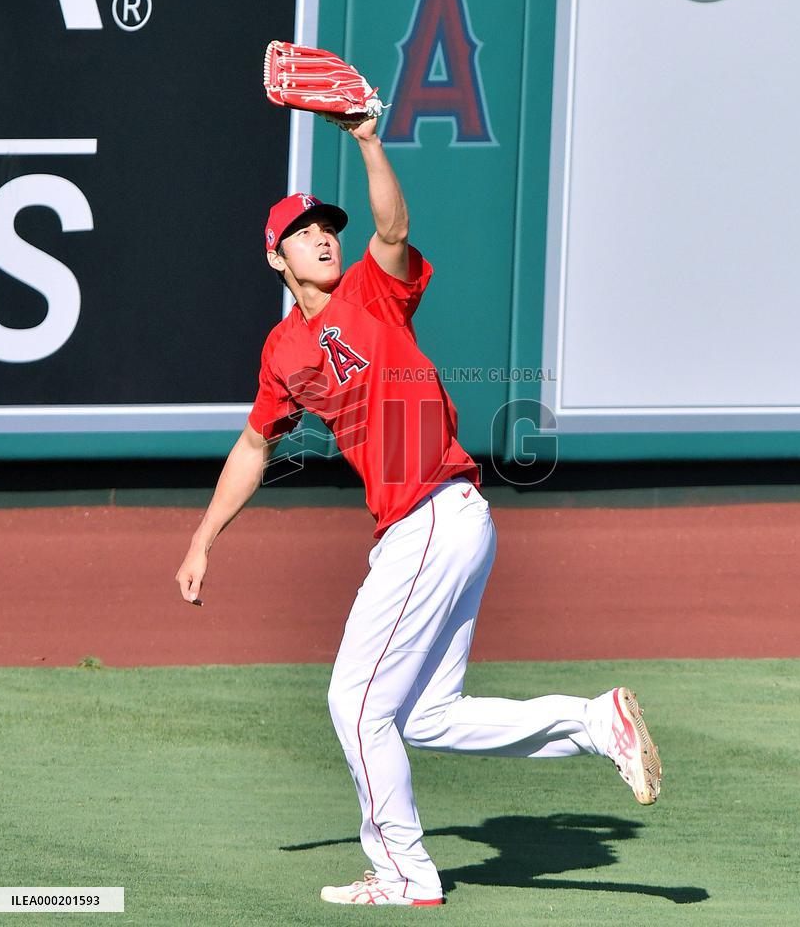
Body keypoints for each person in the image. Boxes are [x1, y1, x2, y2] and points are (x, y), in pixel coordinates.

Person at [174, 117, 662, 907]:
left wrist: (368, 140)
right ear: (276, 255)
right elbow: (254, 445)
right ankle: (594, 723)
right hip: (435, 525)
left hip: (436, 512)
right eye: (303, 231)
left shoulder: (372, 289)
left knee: (352, 702)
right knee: (426, 715)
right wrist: (202, 540)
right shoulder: (282, 351)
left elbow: (393, 226)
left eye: (326, 226)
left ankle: (403, 873)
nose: (322, 237)